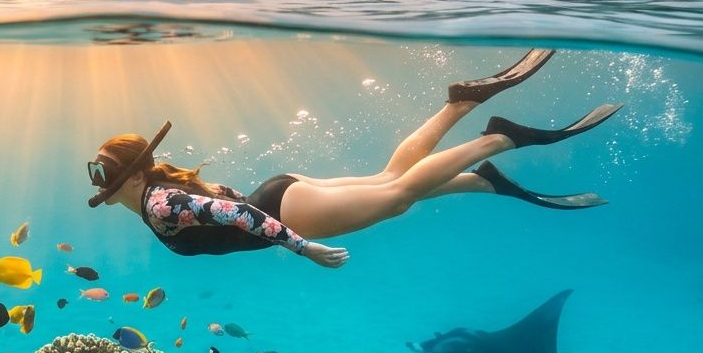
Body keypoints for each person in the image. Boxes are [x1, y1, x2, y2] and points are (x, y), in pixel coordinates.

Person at [87, 49, 619, 268]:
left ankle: (498, 140)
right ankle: (463, 116)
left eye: (103, 170)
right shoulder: (161, 194)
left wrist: (303, 248)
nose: (98, 180)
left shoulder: (159, 204)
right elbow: (229, 204)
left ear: (133, 175)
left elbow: (238, 214)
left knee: (398, 195)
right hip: (283, 192)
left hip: (286, 212)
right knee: (392, 181)